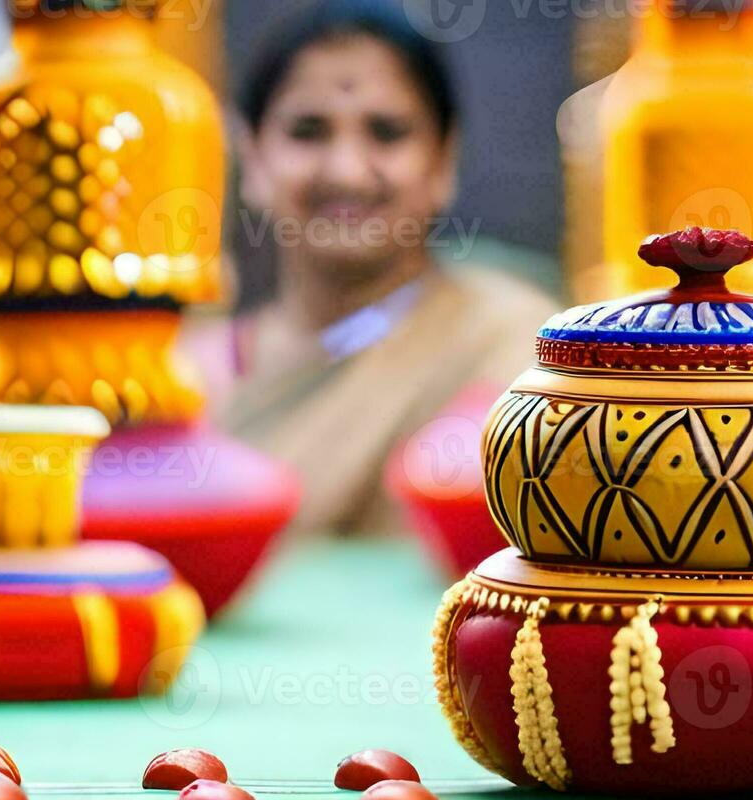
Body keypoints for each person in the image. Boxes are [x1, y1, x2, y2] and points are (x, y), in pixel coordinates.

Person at [191, 0, 558, 534]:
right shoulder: (186, 379)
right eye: (308, 130)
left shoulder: (512, 346)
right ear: (251, 158)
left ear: (443, 161)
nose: (347, 171)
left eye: (387, 132)